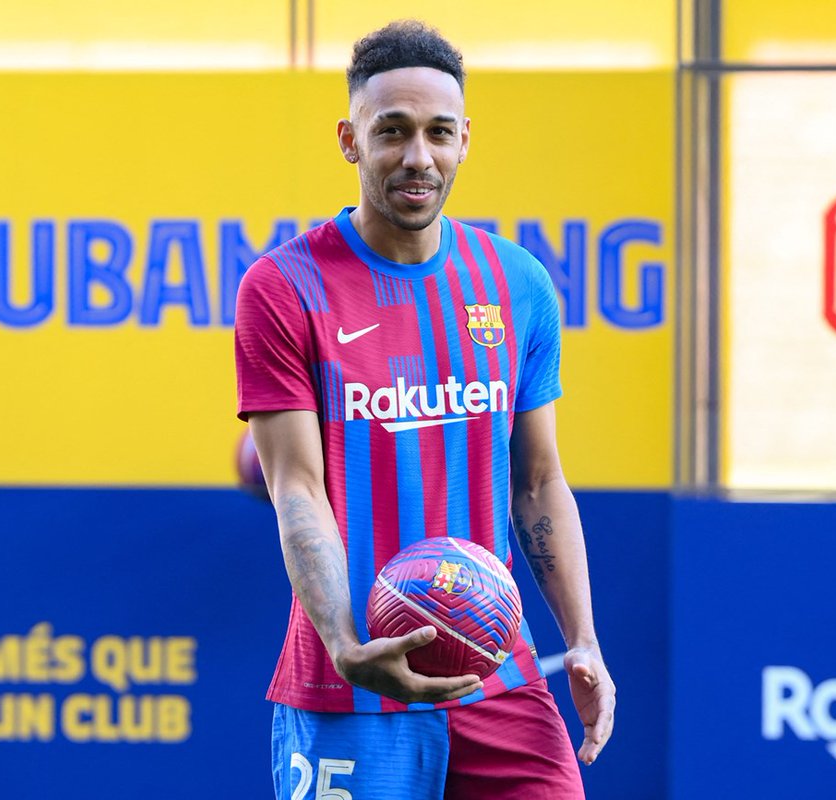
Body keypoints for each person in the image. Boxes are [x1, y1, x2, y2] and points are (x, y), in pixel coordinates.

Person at [234, 20, 615, 800]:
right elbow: (297, 488)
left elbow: (539, 482)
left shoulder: (516, 282)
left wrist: (582, 638)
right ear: (350, 141)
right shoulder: (283, 288)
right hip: (350, 682)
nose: (418, 156)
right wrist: (345, 644)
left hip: (496, 673)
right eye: (392, 132)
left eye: (439, 132)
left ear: (465, 139)